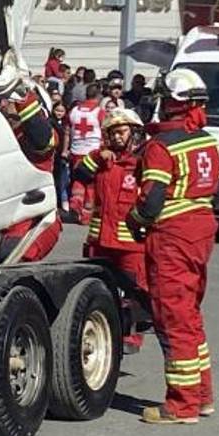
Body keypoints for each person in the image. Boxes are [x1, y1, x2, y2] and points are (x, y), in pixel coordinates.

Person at [129, 68, 219, 425]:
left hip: (172, 236)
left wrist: (134, 220)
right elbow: (218, 189)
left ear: (172, 103)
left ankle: (181, 406)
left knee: (174, 319)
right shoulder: (207, 140)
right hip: (201, 231)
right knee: (191, 317)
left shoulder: (161, 146)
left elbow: (151, 201)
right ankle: (202, 397)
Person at [73, 107, 148, 353]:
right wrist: (96, 158)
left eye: (122, 132)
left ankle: (132, 337)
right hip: (99, 241)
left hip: (130, 245)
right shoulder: (102, 159)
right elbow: (80, 174)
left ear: (134, 133)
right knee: (98, 291)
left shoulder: (143, 163)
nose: (117, 137)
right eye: (113, 133)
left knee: (135, 292)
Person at [0, 89, 63, 264]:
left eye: (8, 101)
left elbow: (42, 139)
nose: (2, 105)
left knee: (8, 273)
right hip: (0, 225)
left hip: (30, 223)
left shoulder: (35, 138)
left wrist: (23, 94)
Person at [68, 83, 107, 224]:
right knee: (91, 182)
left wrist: (65, 149)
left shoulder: (74, 111)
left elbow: (68, 131)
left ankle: (75, 205)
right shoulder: (99, 112)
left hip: (76, 150)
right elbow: (105, 131)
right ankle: (86, 215)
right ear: (98, 96)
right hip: (93, 151)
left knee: (78, 180)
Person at [51, 101, 71, 215]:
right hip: (55, 155)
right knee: (55, 181)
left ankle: (62, 204)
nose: (59, 113)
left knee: (63, 182)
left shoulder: (66, 124)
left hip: (63, 156)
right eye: (57, 110)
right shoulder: (51, 122)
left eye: (62, 111)